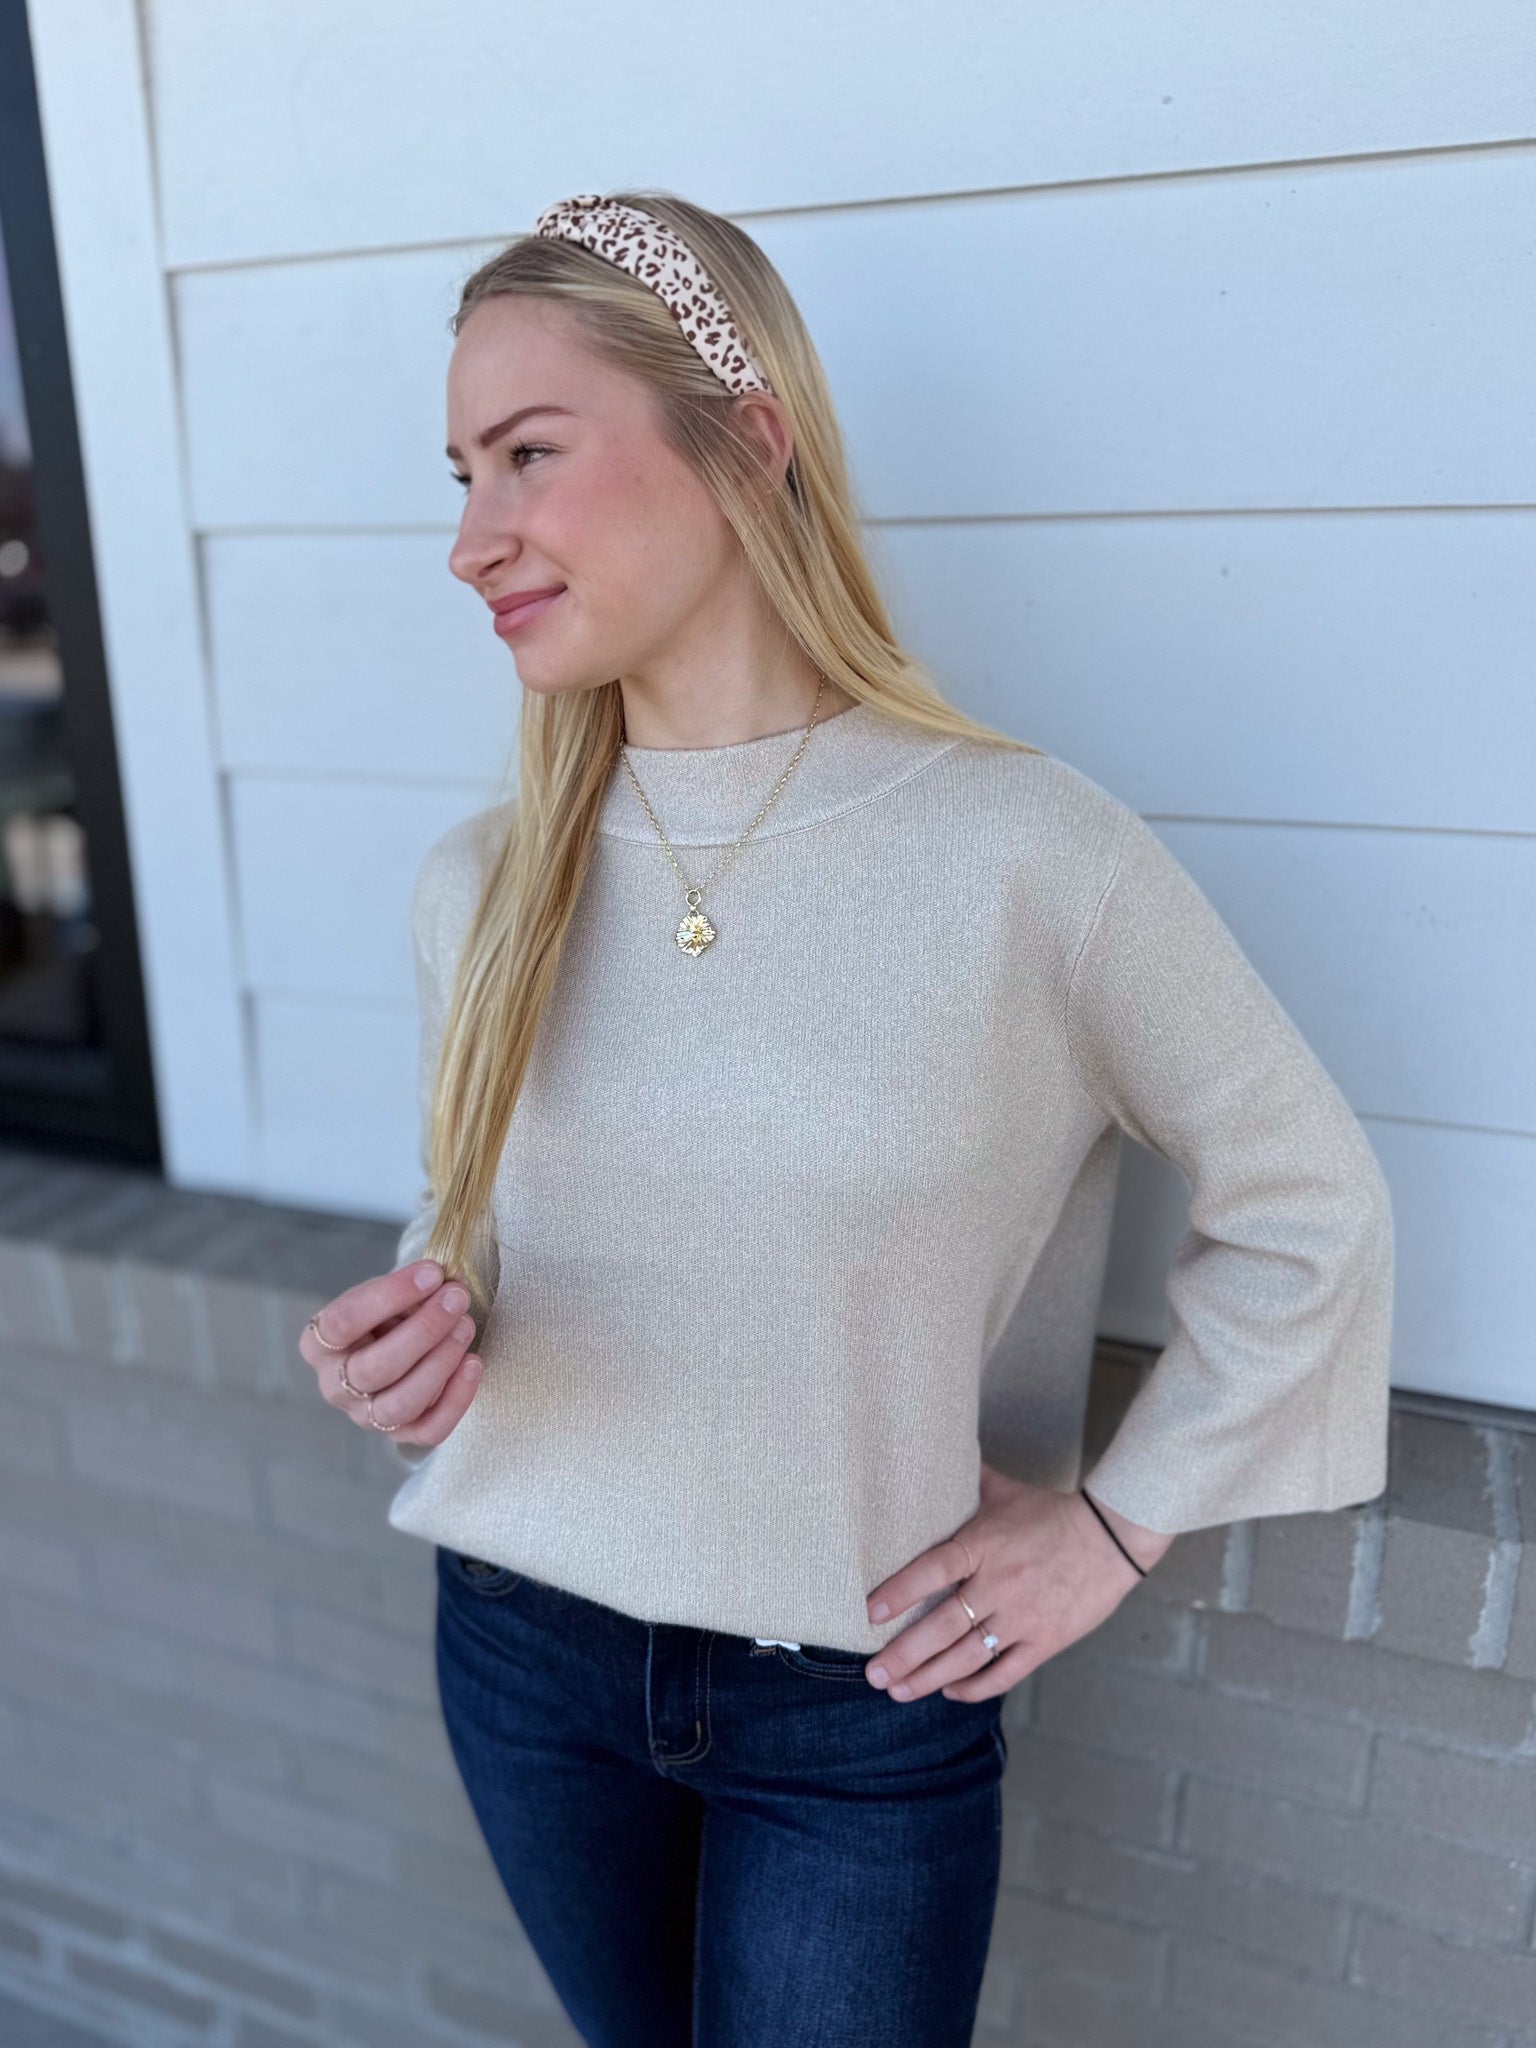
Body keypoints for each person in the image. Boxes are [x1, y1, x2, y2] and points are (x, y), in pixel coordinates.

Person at [296, 190, 1394, 2048]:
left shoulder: (1025, 855)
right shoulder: (480, 882)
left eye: (530, 454)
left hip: (854, 1705)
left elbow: (1312, 1210)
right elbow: (471, 1223)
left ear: (747, 440)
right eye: (462, 473)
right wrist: (420, 1338)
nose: (473, 538)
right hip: (519, 1643)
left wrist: (1116, 1526)